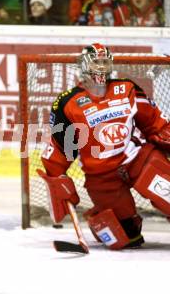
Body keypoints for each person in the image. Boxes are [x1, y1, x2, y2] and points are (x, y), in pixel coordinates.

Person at [38, 43, 170, 250]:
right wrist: (57, 178)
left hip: (138, 160)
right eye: (96, 62)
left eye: (105, 62)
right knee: (126, 236)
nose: (101, 67)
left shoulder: (126, 88)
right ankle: (99, 215)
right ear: (83, 66)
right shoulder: (67, 103)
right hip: (102, 176)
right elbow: (62, 147)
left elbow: (154, 122)